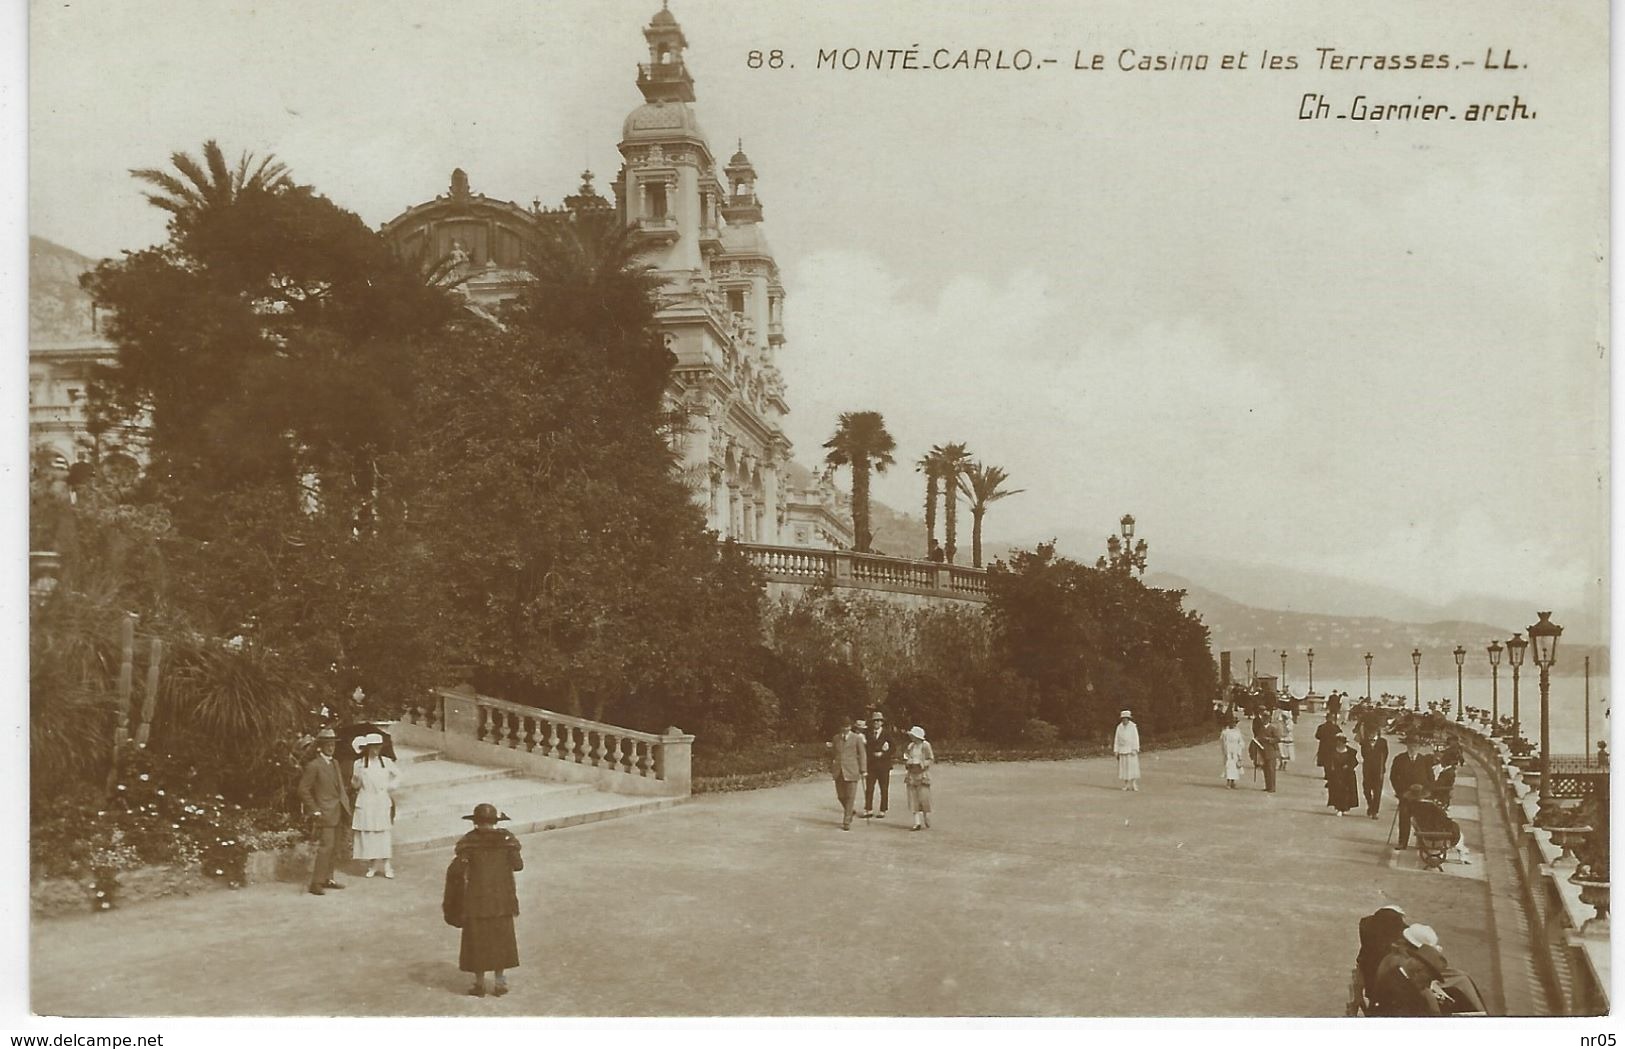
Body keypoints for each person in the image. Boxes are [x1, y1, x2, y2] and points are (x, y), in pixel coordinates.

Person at [446, 803, 523, 997]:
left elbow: (456, 871)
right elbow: (518, 865)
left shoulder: (469, 842)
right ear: (495, 822)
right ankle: (499, 983)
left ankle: (479, 984)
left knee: (477, 940)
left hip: (476, 900)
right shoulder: (507, 840)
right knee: (500, 939)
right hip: (502, 899)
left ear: (475, 822)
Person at [298, 726, 353, 896]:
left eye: (333, 744)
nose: (331, 747)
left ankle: (328, 878)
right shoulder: (314, 766)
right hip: (325, 812)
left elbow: (337, 786)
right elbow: (303, 790)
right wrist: (314, 810)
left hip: (338, 810)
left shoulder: (334, 762)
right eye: (328, 744)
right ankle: (316, 883)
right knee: (325, 847)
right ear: (320, 746)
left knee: (335, 847)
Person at [350, 733, 400, 879]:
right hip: (366, 800)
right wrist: (356, 778)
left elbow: (399, 775)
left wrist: (389, 787)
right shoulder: (359, 764)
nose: (376, 750)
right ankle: (372, 865)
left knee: (383, 832)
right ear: (368, 748)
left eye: (378, 746)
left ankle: (387, 865)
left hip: (381, 801)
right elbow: (355, 785)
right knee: (369, 833)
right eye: (373, 747)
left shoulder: (386, 762)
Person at [1390, 736, 1437, 851]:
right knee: (1404, 819)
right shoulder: (1399, 759)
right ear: (1407, 746)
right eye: (1410, 745)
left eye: (1415, 746)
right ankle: (1402, 842)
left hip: (1421, 795)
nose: (1413, 748)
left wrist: (1425, 789)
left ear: (1419, 747)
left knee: (1422, 820)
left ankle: (1422, 842)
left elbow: (1431, 779)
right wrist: (1401, 792)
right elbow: (1393, 777)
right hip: (1406, 795)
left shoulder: (1424, 760)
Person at [829, 718, 867, 830]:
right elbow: (833, 754)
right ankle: (849, 811)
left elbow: (863, 754)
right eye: (843, 727)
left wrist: (863, 770)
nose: (845, 729)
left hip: (852, 770)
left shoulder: (857, 738)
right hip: (839, 771)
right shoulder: (836, 738)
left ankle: (846, 821)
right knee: (841, 796)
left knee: (850, 796)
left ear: (851, 727)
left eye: (847, 727)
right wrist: (832, 765)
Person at [862, 711, 895, 820]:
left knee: (884, 788)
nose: (876, 723)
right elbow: (865, 748)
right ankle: (868, 809)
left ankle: (883, 809)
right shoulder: (868, 733)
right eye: (875, 721)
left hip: (883, 765)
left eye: (879, 721)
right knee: (869, 788)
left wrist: (883, 753)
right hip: (871, 765)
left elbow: (893, 748)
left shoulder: (887, 733)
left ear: (882, 722)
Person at [903, 725, 934, 830]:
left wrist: (923, 763)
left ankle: (926, 815)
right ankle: (917, 822)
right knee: (913, 798)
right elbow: (906, 756)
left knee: (924, 798)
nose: (912, 738)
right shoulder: (910, 746)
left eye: (913, 736)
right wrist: (908, 761)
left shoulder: (925, 746)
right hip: (912, 774)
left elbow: (930, 758)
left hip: (922, 774)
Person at [1360, 730, 1390, 820]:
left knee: (1377, 791)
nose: (1371, 735)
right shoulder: (1364, 742)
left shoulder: (1383, 742)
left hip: (1379, 769)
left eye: (1373, 733)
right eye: (1370, 733)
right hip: (1367, 769)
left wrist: (1382, 765)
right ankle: (1370, 804)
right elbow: (1363, 754)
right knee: (1366, 789)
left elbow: (1386, 754)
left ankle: (1374, 811)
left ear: (1377, 733)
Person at [1327, 736, 1360, 816]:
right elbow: (1328, 762)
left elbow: (1355, 762)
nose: (1339, 744)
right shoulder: (1332, 751)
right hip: (1336, 775)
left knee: (1346, 792)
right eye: (1338, 743)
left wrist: (1348, 766)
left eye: (1341, 743)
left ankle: (1344, 807)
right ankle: (1338, 807)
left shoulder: (1351, 752)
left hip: (1347, 775)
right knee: (1337, 791)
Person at [1113, 710, 1141, 791]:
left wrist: (1135, 749)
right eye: (1123, 719)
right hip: (1122, 750)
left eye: (1126, 718)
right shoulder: (1119, 727)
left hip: (1131, 750)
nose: (1124, 720)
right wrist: (1116, 750)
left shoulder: (1133, 726)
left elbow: (1136, 738)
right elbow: (1116, 739)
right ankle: (1126, 785)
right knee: (1124, 768)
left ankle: (1134, 784)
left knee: (1133, 768)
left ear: (1128, 719)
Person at [1314, 712, 1341, 794]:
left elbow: (1317, 736)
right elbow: (1340, 735)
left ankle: (1326, 774)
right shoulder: (1335, 727)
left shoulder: (1321, 727)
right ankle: (1330, 774)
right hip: (1332, 746)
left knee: (1325, 761)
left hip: (1323, 746)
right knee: (1331, 761)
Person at [1257, 713, 1281, 793]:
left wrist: (1269, 740)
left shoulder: (1273, 728)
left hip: (1271, 751)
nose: (1264, 720)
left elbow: (1278, 739)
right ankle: (1267, 786)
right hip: (1263, 751)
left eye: (1265, 719)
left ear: (1268, 720)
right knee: (1265, 770)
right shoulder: (1261, 728)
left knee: (1271, 770)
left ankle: (1272, 787)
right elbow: (1259, 737)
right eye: (1263, 719)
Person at [1219, 717, 1245, 789]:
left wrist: (1239, 750)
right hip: (1228, 751)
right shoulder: (1225, 732)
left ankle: (1233, 782)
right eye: (1232, 723)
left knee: (1235, 767)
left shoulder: (1238, 732)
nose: (1233, 724)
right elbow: (1223, 742)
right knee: (1229, 766)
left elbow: (1241, 741)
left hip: (1236, 750)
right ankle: (1228, 782)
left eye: (1235, 723)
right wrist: (1225, 751)